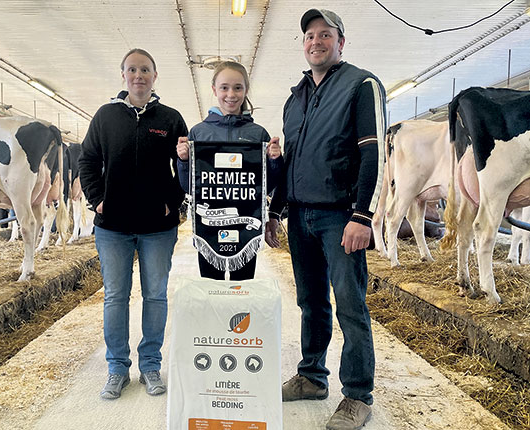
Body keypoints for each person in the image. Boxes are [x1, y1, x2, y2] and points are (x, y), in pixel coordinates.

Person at [265, 9, 386, 430]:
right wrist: (276, 211)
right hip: (299, 215)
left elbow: (374, 154)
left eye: (325, 35)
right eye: (309, 36)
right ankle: (312, 377)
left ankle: (357, 396)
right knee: (310, 302)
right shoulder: (294, 98)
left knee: (350, 304)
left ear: (340, 42)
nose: (315, 41)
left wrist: (362, 215)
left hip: (340, 216)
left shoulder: (361, 84)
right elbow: (292, 162)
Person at [78, 48, 188, 400]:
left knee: (155, 295)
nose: (138, 75)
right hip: (113, 226)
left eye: (145, 69)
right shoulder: (105, 116)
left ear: (155, 76)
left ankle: (151, 365)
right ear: (123, 75)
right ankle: (117, 368)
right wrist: (97, 199)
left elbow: (185, 166)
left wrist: (175, 202)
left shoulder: (170, 119)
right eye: (132, 69)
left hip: (158, 225)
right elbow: (88, 160)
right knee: (115, 296)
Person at [176, 60, 283, 281]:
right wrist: (184, 161)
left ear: (245, 90)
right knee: (210, 289)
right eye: (224, 87)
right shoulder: (198, 133)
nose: (231, 94)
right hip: (209, 228)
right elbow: (188, 186)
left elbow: (267, 185)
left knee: (242, 288)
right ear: (214, 89)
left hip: (245, 227)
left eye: (237, 87)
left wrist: (274, 160)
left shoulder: (258, 134)